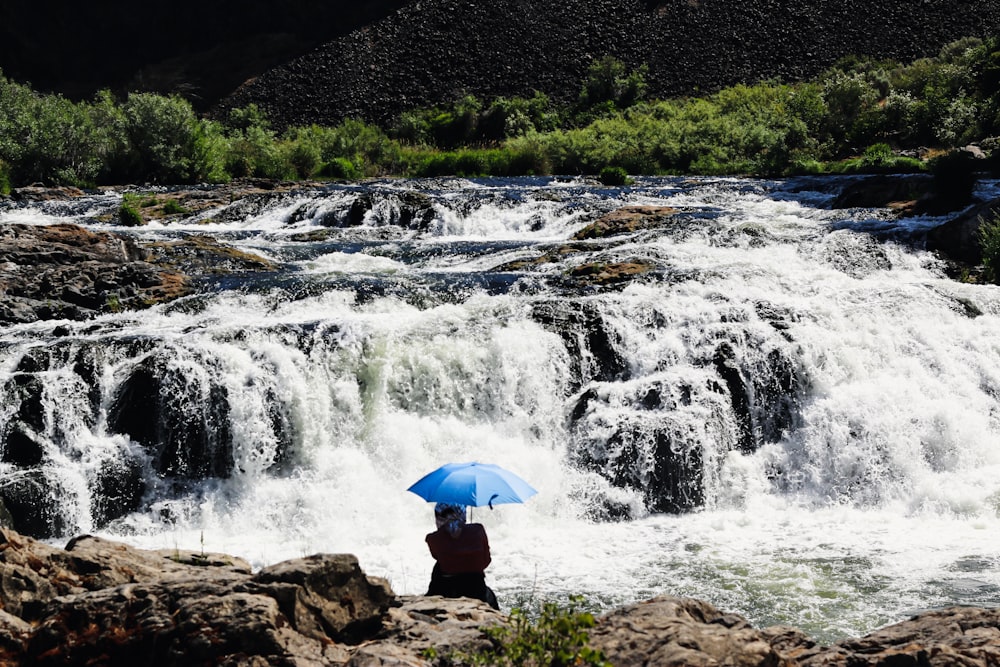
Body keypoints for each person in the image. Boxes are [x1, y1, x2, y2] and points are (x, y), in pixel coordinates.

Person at [424, 502, 499, 609]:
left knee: (438, 567)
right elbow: (486, 561)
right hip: (476, 590)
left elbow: (437, 556)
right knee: (491, 597)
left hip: (444, 590)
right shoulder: (478, 530)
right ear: (463, 514)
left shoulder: (433, 538)